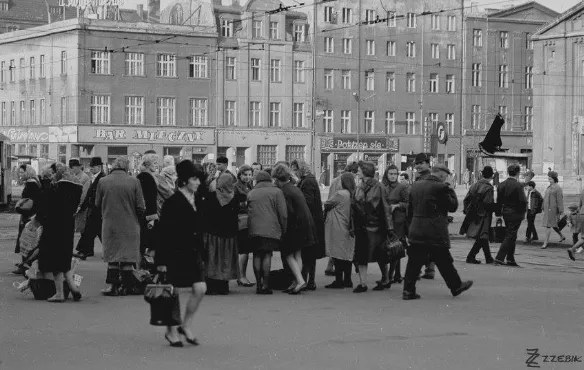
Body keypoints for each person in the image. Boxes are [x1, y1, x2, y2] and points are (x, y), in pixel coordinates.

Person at [155, 160, 207, 347]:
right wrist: (160, 261)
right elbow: (162, 233)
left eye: (199, 179)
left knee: (200, 289)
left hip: (193, 252)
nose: (198, 182)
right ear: (184, 181)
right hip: (174, 252)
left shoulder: (198, 199)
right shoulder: (173, 202)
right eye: (194, 179)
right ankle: (170, 331)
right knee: (172, 292)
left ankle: (186, 325)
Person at [403, 165, 473, 300]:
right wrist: (451, 189)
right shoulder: (441, 187)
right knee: (444, 259)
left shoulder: (416, 185)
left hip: (417, 228)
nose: (446, 178)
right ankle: (456, 286)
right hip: (435, 230)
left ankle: (408, 290)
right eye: (446, 175)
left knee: (414, 261)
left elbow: (409, 210)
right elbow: (452, 206)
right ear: (441, 174)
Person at [96, 156, 146, 296]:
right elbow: (141, 206)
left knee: (112, 257)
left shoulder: (103, 181)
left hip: (110, 224)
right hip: (130, 224)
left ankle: (113, 287)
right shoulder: (134, 181)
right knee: (127, 257)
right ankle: (127, 287)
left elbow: (97, 203)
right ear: (126, 167)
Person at [36, 163, 83, 302]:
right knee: (64, 258)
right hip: (68, 226)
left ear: (56, 174)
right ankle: (74, 288)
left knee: (56, 259)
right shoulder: (76, 188)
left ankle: (59, 293)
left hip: (54, 227)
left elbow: (45, 208)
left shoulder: (55, 189)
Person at [272, 163, 316, 295]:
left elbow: (287, 213)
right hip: (305, 225)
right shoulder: (294, 188)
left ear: (277, 179)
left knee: (287, 254)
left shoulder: (284, 192)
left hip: (294, 227)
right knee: (297, 254)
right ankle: (296, 282)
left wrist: (283, 229)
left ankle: (300, 280)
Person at [353, 161, 393, 293]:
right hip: (361, 226)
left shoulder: (379, 187)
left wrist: (390, 228)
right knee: (361, 255)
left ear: (365, 171)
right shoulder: (359, 186)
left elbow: (386, 208)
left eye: (359, 170)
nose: (357, 172)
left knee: (381, 254)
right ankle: (363, 283)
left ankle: (385, 279)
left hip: (376, 227)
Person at [247, 170, 288, 294]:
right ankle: (265, 284)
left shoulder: (251, 193)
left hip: (254, 229)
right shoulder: (277, 192)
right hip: (271, 229)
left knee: (257, 255)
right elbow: (283, 214)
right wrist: (283, 229)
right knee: (267, 254)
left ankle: (258, 285)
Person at [203, 174, 240, 295]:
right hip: (229, 234)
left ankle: (211, 286)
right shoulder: (235, 198)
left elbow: (205, 214)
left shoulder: (211, 196)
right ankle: (223, 287)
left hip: (212, 233)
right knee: (226, 260)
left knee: (212, 260)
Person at [291, 159, 325, 291]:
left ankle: (308, 280)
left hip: (311, 222)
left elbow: (308, 201)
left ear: (300, 169)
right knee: (310, 253)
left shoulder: (308, 181)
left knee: (307, 253)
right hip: (313, 221)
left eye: (294, 169)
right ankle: (309, 280)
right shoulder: (307, 180)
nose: (293, 172)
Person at [324, 162, 358, 276]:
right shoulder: (354, 193)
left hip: (338, 223)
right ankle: (347, 278)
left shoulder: (341, 192)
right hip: (349, 224)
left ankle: (339, 279)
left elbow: (328, 202)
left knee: (337, 251)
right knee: (346, 253)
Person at [377, 164, 408, 288]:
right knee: (387, 247)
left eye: (395, 174)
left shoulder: (402, 187)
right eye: (391, 174)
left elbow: (408, 203)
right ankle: (395, 275)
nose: (393, 176)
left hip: (397, 220)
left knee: (396, 247)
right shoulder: (382, 186)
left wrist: (398, 205)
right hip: (385, 219)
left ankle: (390, 276)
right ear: (386, 174)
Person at [493, 164, 528, 266]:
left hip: (505, 212)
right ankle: (499, 258)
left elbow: (498, 201)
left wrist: (498, 214)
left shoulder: (502, 184)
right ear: (517, 173)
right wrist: (523, 213)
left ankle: (510, 258)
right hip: (516, 213)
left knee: (512, 235)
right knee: (510, 235)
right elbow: (523, 200)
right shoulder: (518, 185)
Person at [462, 166, 496, 264]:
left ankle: (487, 258)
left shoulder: (474, 185)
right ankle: (471, 256)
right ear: (491, 176)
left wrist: (466, 210)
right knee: (483, 236)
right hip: (484, 215)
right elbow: (488, 203)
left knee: (482, 236)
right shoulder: (489, 187)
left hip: (473, 214)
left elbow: (466, 199)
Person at [74, 157, 106, 260]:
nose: (91, 168)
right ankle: (86, 250)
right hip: (93, 208)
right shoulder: (95, 177)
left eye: (93, 166)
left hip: (98, 209)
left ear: (99, 167)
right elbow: (89, 194)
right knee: (96, 231)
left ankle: (85, 251)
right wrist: (82, 207)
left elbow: (96, 195)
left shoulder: (102, 177)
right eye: (90, 166)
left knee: (90, 230)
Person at [13, 165, 42, 274]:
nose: (20, 175)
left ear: (27, 173)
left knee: (26, 240)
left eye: (21, 172)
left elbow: (30, 203)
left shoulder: (31, 184)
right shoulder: (34, 182)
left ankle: (25, 265)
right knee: (28, 240)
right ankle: (25, 263)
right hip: (31, 216)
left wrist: (19, 209)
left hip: (28, 217)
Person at [413, 153, 435, 280]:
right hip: (420, 215)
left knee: (421, 245)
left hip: (427, 216)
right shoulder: (419, 178)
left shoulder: (431, 178)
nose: (418, 166)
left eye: (420, 163)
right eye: (416, 164)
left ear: (427, 163)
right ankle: (429, 269)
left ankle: (418, 271)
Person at [234, 165, 255, 288]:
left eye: (249, 174)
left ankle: (242, 276)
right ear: (239, 175)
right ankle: (241, 277)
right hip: (240, 221)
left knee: (245, 250)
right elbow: (235, 204)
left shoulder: (250, 186)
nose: (248, 177)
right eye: (245, 174)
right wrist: (247, 203)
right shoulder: (236, 187)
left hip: (248, 220)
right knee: (243, 250)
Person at [136, 153, 160, 256]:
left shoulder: (142, 176)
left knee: (144, 241)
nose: (156, 165)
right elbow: (150, 199)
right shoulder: (147, 177)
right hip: (148, 215)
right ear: (148, 165)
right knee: (148, 242)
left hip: (143, 213)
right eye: (154, 163)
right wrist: (152, 218)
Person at [541, 171, 565, 249]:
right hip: (547, 209)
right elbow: (545, 197)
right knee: (553, 224)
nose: (549, 180)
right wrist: (542, 206)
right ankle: (562, 236)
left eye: (550, 179)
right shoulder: (549, 187)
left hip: (553, 210)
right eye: (549, 179)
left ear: (554, 179)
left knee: (548, 225)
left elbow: (560, 200)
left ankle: (545, 242)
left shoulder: (558, 188)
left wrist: (561, 211)